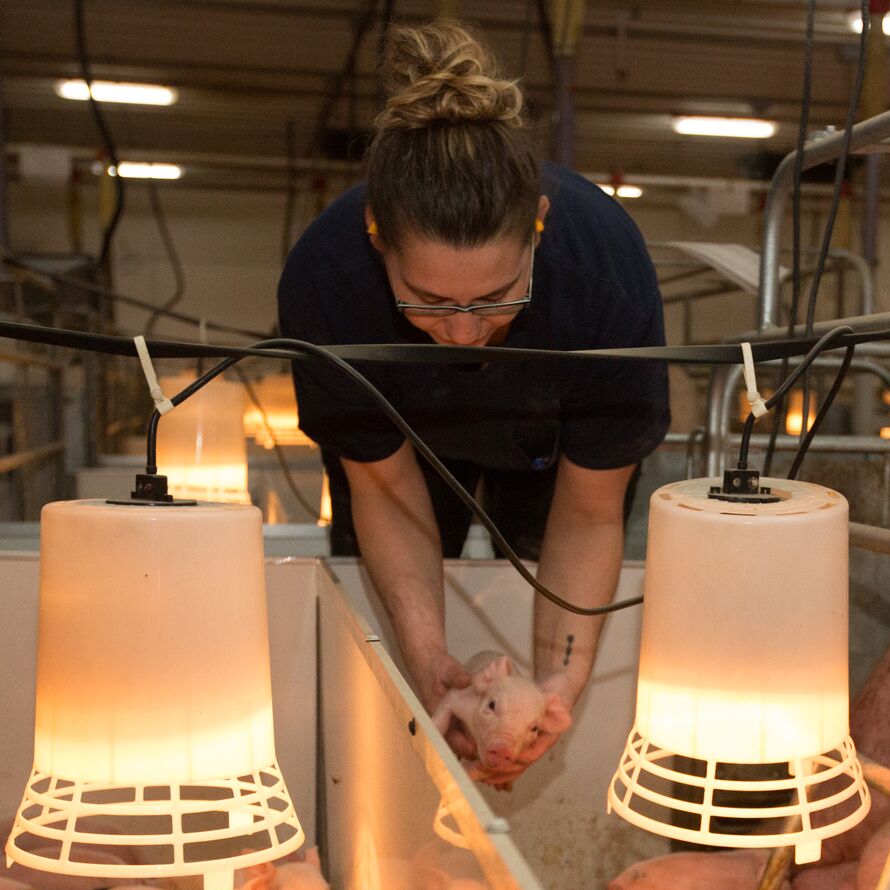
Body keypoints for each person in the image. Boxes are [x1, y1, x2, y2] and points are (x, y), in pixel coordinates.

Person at [278, 20, 667, 785]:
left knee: (546, 579)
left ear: (539, 228)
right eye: (426, 302)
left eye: (496, 299)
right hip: (403, 449)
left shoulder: (605, 272)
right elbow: (384, 486)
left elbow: (590, 511)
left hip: (547, 446)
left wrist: (564, 681)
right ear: (376, 236)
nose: (462, 333)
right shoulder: (329, 281)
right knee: (392, 639)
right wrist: (431, 666)